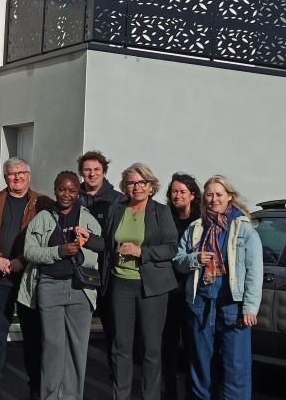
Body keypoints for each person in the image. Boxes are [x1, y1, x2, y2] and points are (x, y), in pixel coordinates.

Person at [173, 175, 262, 400]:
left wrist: (250, 308)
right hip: (201, 304)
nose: (214, 199)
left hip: (233, 306)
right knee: (201, 366)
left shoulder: (243, 228)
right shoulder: (196, 227)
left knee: (236, 368)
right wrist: (195, 258)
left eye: (219, 194)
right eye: (210, 195)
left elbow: (254, 271)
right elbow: (178, 260)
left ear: (229, 197)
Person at [18, 171, 104, 400]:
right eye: (62, 189)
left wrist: (86, 247)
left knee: (77, 348)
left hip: (80, 288)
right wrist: (59, 251)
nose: (66, 194)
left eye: (72, 190)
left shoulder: (87, 218)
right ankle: (50, 396)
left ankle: (72, 396)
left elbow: (101, 246)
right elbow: (29, 251)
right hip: (49, 286)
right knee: (52, 347)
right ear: (55, 189)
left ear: (79, 192)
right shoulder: (43, 218)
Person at [0, 157, 51, 400]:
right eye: (11, 174)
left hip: (29, 276)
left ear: (29, 174)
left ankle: (36, 384)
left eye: (21, 173)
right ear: (4, 177)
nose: (16, 177)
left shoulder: (43, 203)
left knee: (33, 333)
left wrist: (22, 260)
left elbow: (48, 238)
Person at [102, 163, 178, 400]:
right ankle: (120, 396)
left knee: (151, 348)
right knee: (121, 346)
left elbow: (171, 248)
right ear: (125, 186)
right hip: (120, 284)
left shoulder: (161, 212)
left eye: (141, 183)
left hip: (152, 288)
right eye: (132, 183)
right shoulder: (117, 209)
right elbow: (107, 245)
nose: (136, 187)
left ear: (150, 186)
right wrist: (87, 239)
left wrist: (141, 252)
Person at [77, 150, 126, 381]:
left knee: (114, 334)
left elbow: (114, 240)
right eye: (87, 170)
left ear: (104, 172)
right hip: (77, 272)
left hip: (108, 275)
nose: (92, 174)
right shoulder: (72, 196)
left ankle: (116, 383)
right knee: (76, 334)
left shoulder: (117, 200)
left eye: (97, 170)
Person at [162, 172, 202, 400]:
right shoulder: (166, 217)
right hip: (168, 291)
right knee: (167, 346)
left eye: (182, 192)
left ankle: (191, 392)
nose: (177, 196)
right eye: (173, 192)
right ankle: (170, 392)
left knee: (192, 346)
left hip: (192, 292)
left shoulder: (201, 222)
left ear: (192, 195)